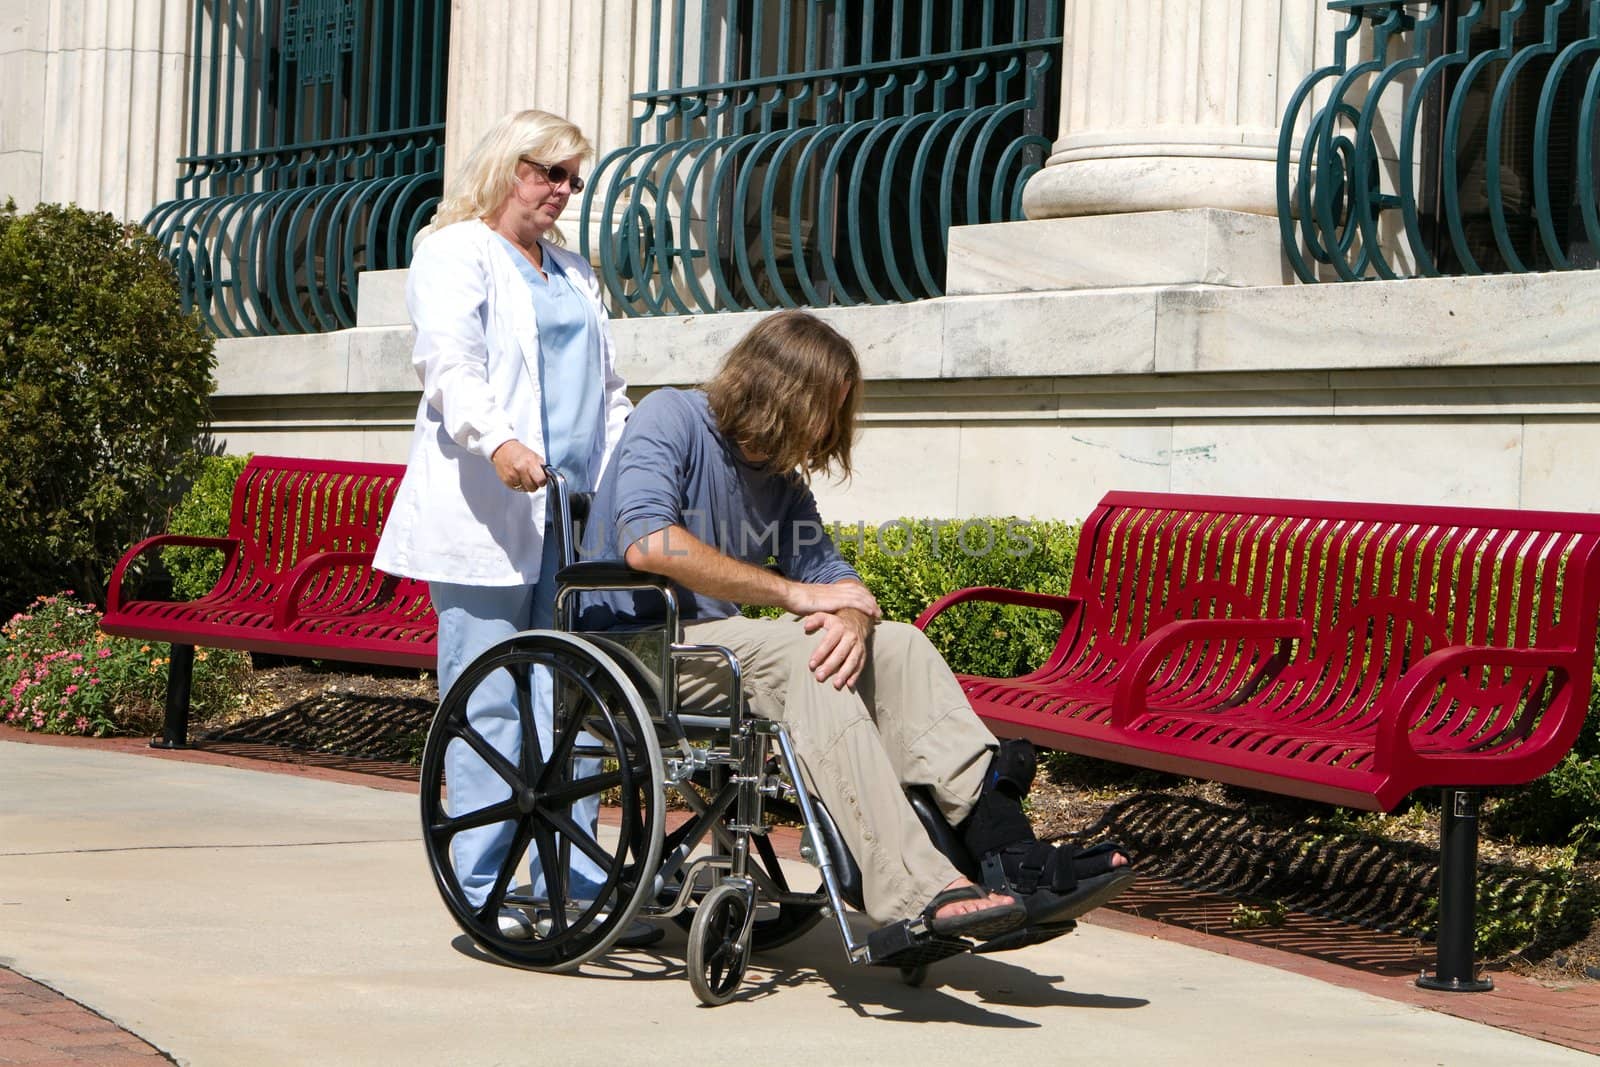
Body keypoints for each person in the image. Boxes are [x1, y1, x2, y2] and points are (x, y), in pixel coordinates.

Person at [579, 309, 1132, 948]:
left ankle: (1008, 852)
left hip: (721, 650)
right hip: (640, 648)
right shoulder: (670, 416)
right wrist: (795, 593)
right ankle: (913, 891)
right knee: (808, 652)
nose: (831, 429)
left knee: (899, 644)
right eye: (827, 409)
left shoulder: (780, 483)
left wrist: (848, 614)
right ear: (784, 392)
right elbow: (648, 543)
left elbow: (836, 577)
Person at [373, 109, 656, 945]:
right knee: (490, 699)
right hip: (487, 511)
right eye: (549, 173)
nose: (563, 192)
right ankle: (485, 888)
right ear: (506, 167)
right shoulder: (452, 250)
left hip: (569, 518)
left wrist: (630, 477)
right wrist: (495, 439)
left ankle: (574, 884)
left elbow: (607, 391)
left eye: (573, 179)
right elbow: (448, 363)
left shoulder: (572, 270)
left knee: (574, 699)